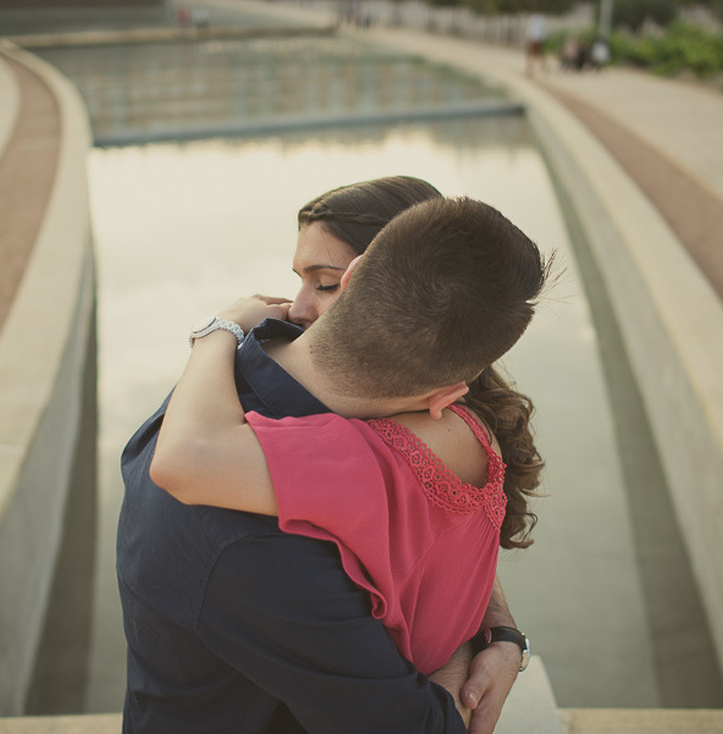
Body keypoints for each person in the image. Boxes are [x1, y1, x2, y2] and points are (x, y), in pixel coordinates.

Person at [117, 182, 543, 733]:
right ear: (448, 392)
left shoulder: (403, 440)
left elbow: (445, 533)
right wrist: (466, 656)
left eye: (323, 283)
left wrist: (500, 632)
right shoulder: (254, 539)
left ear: (360, 275)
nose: (296, 308)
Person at [524, 12, 548, 76]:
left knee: (535, 52)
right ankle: (531, 66)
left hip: (536, 38)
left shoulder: (537, 19)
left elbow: (531, 30)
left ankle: (541, 66)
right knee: (533, 52)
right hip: (536, 38)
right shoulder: (538, 19)